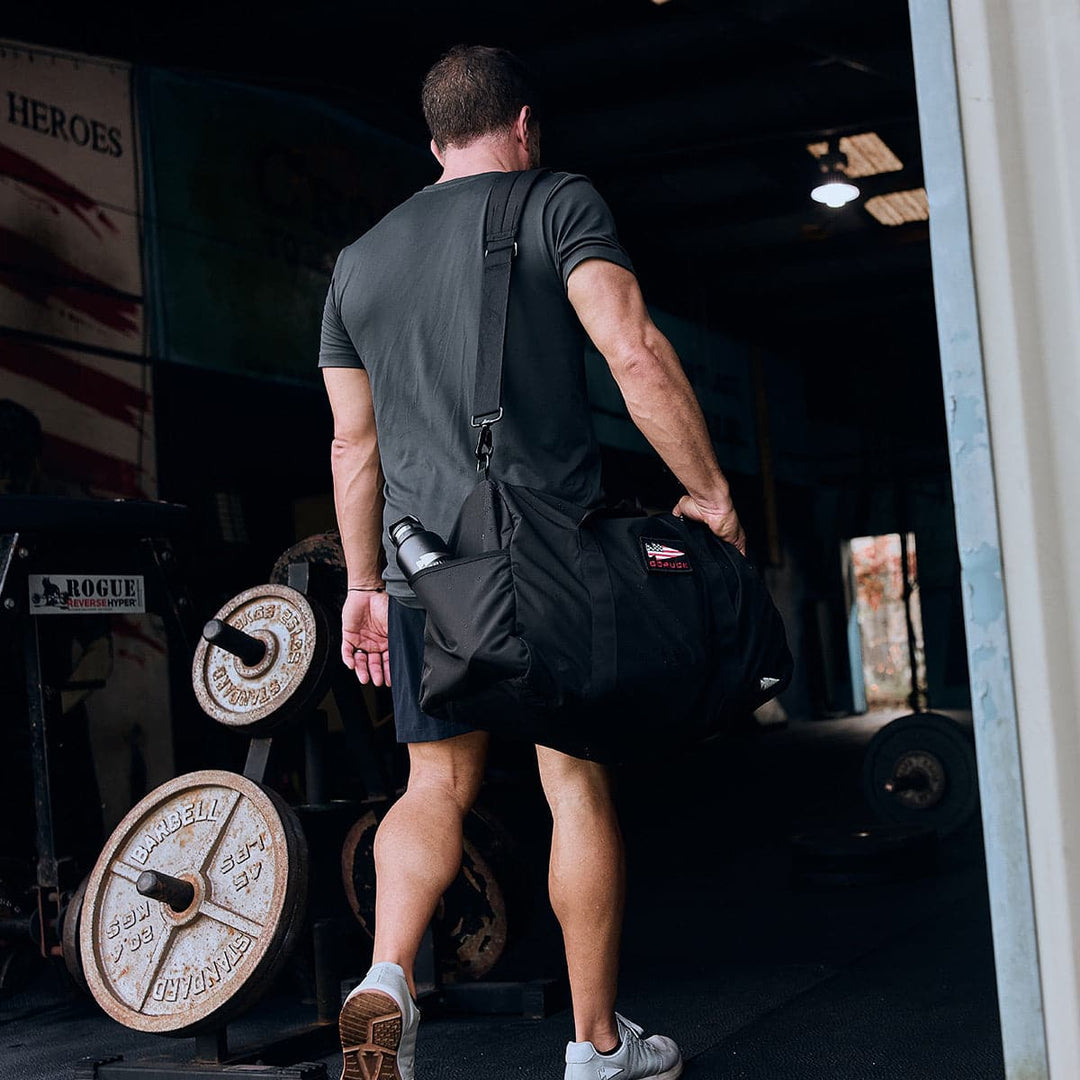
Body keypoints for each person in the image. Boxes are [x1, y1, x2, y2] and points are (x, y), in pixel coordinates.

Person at [320, 44, 745, 1080]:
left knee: (433, 785)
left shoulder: (358, 262)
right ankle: (597, 1046)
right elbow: (632, 347)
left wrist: (364, 585)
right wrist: (711, 493)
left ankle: (383, 980)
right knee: (572, 783)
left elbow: (353, 446)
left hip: (427, 571)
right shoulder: (556, 199)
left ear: (434, 142)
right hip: (546, 556)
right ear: (523, 126)